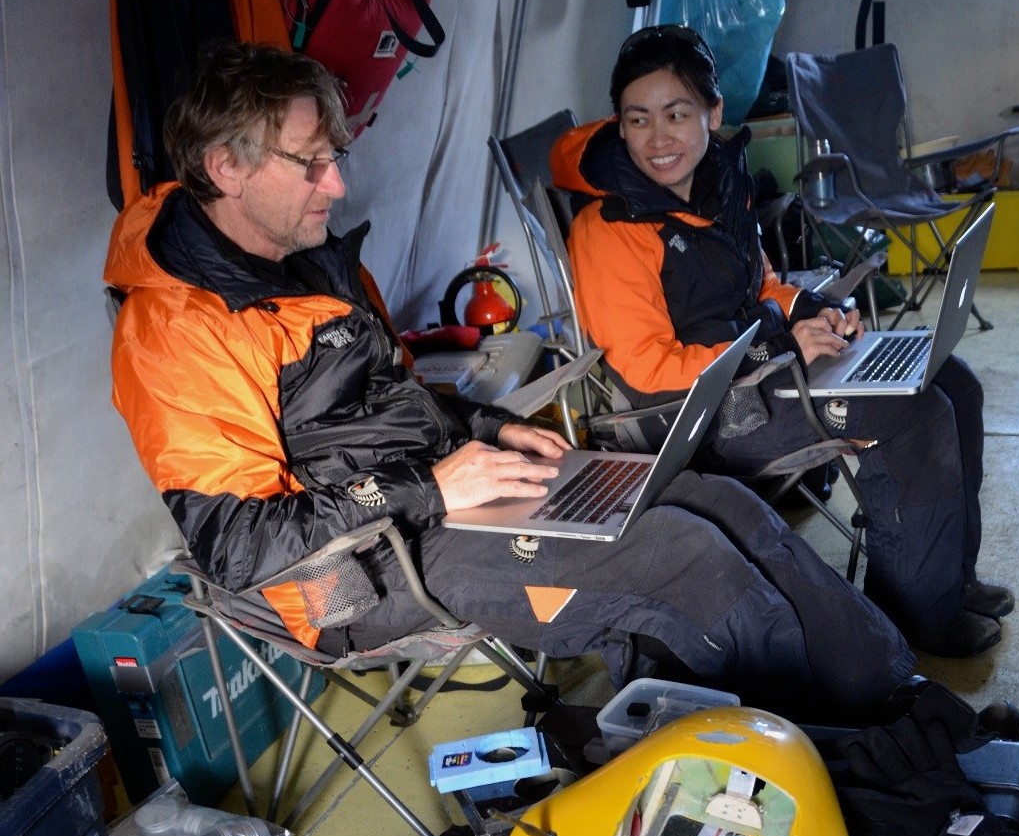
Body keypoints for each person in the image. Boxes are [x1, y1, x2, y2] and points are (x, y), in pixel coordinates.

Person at [106, 40, 918, 724]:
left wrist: (486, 430)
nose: (338, 183)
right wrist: (431, 486)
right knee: (689, 561)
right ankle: (836, 770)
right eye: (312, 163)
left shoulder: (309, 259)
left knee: (716, 501)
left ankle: (897, 701)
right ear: (226, 167)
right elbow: (237, 544)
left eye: (336, 158)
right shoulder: (174, 328)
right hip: (345, 579)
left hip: (437, 498)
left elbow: (392, 405)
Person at [550, 25, 1013, 658]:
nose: (658, 138)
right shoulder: (609, 227)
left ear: (713, 113)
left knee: (953, 378)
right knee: (911, 412)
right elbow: (648, 368)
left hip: (763, 371)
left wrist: (819, 308)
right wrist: (784, 346)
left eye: (677, 113)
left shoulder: (722, 182)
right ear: (619, 125)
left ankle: (949, 578)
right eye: (639, 120)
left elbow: (762, 285)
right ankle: (919, 613)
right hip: (701, 413)